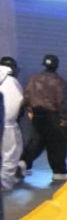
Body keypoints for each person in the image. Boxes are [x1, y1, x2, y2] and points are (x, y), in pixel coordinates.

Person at [19, 54, 67, 181]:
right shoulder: (59, 81)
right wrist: (65, 118)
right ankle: (59, 172)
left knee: (36, 141)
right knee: (57, 144)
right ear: (56, 65)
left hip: (37, 115)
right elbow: (61, 101)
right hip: (52, 116)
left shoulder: (34, 79)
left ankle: (23, 163)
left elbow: (27, 96)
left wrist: (29, 110)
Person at [0, 57, 23, 191]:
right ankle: (5, 184)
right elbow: (14, 107)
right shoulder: (11, 82)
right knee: (9, 156)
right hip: (7, 126)